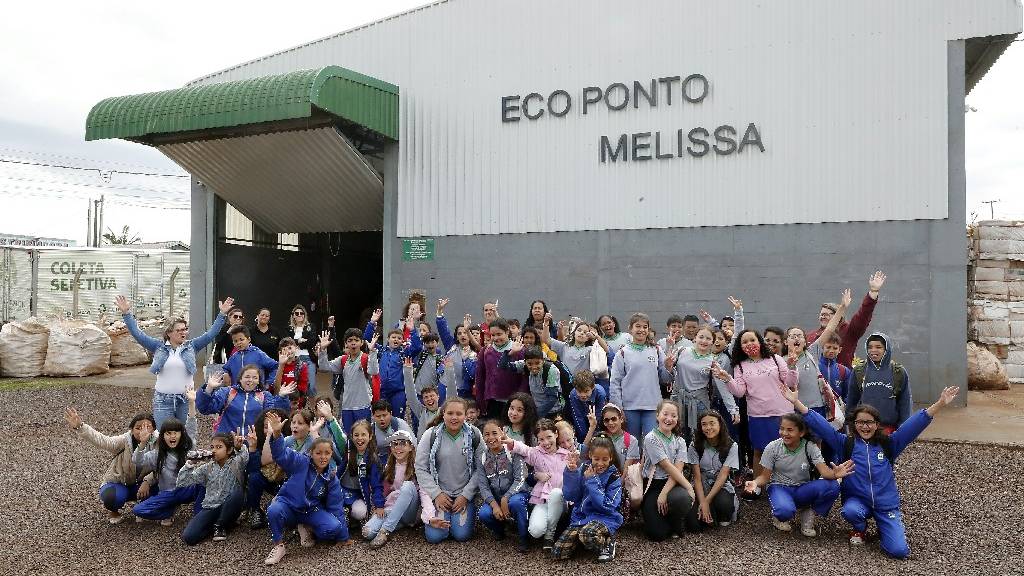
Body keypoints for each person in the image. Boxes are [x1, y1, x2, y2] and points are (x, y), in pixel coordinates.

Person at [782, 381, 960, 558]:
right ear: (854, 424)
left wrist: (940, 403)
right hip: (858, 501)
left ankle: (887, 528)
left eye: (869, 422)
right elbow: (822, 426)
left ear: (877, 424)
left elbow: (913, 426)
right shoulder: (846, 444)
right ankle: (861, 528)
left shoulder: (890, 444)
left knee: (898, 551)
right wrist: (797, 403)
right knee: (850, 511)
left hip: (886, 504)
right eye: (860, 422)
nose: (864, 426)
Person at [114, 294, 234, 430]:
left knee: (184, 436)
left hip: (185, 400)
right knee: (163, 435)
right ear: (169, 332)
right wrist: (126, 313)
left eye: (185, 329)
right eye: (179, 330)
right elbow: (137, 334)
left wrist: (222, 314)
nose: (184, 332)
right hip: (163, 400)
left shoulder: (192, 346)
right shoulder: (158, 346)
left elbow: (210, 334)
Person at [742, 413, 853, 538]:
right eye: (782, 429)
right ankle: (779, 515)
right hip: (780, 487)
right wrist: (755, 483)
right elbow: (765, 477)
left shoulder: (810, 447)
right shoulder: (772, 447)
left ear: (801, 432)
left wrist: (835, 474)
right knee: (784, 511)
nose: (784, 433)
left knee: (833, 486)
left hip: (803, 488)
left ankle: (809, 511)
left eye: (790, 430)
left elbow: (824, 472)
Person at [263, 412, 351, 565]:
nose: (323, 457)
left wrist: (343, 537)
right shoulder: (301, 461)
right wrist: (277, 434)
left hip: (310, 511)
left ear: (331, 455)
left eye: (327, 453)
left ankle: (306, 527)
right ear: (311, 453)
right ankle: (279, 545)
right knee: (273, 510)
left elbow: (336, 507)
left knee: (334, 527)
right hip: (289, 505)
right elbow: (281, 454)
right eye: (318, 453)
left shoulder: (331, 477)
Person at [713, 330, 797, 479]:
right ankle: (757, 485)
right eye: (744, 342)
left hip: (783, 413)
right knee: (759, 450)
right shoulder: (740, 366)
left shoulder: (776, 359)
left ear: (759, 341)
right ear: (740, 346)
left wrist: (792, 367)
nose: (749, 344)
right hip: (758, 415)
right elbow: (739, 392)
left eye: (752, 340)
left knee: (787, 449)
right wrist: (727, 379)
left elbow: (790, 382)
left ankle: (787, 482)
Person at [65, 407, 156, 523]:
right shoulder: (124, 441)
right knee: (112, 497)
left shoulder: (159, 443)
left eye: (148, 427)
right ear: (131, 430)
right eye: (138, 428)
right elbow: (103, 440)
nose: (142, 432)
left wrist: (147, 481)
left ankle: (143, 505)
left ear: (154, 429)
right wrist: (80, 426)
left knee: (163, 487)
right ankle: (114, 510)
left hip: (143, 484)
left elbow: (163, 466)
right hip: (119, 483)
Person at [415, 397, 486, 543]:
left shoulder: (474, 435)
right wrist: (436, 494)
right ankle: (444, 517)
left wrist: (466, 495)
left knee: (461, 536)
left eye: (459, 414)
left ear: (465, 416)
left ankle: (460, 518)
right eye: (450, 413)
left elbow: (481, 467)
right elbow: (420, 468)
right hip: (441, 494)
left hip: (464, 494)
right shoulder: (431, 435)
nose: (454, 417)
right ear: (443, 414)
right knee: (435, 537)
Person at [131, 385, 200, 526]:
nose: (172, 436)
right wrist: (143, 443)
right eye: (168, 433)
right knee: (138, 510)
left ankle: (200, 516)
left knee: (203, 484)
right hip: (168, 493)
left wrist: (191, 403)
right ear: (163, 436)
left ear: (181, 434)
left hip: (187, 489)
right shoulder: (157, 454)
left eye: (176, 432)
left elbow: (191, 426)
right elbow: (137, 461)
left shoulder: (188, 447)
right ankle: (169, 511)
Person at [553, 434, 623, 562]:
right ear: (590, 455)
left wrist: (592, 481)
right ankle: (584, 540)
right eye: (596, 458)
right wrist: (572, 473)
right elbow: (571, 496)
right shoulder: (583, 468)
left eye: (604, 459)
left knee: (587, 534)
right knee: (558, 552)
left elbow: (607, 507)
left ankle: (608, 543)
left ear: (611, 458)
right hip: (582, 517)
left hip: (604, 517)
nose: (600, 463)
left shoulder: (614, 477)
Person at [665, 325, 740, 440]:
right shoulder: (682, 351)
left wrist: (733, 409)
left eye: (708, 339)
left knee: (699, 437)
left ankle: (696, 458)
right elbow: (667, 372)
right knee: (677, 435)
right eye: (701, 337)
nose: (704, 341)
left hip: (699, 402)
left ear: (712, 342)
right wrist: (668, 361)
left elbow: (722, 387)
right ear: (695, 338)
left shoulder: (713, 362)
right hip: (678, 400)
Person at [506, 418, 571, 550]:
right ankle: (547, 529)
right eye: (541, 439)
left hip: (561, 501)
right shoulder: (537, 453)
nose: (546, 442)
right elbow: (524, 449)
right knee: (535, 531)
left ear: (556, 434)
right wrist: (511, 442)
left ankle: (550, 535)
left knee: (556, 493)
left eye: (549, 437)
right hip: (542, 500)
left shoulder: (566, 455)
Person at [175, 430, 249, 545]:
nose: (214, 450)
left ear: (229, 450)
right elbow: (182, 482)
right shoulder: (207, 468)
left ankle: (220, 525)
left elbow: (244, 456)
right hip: (210, 507)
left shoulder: (235, 463)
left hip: (230, 505)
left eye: (219, 447)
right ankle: (217, 525)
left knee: (238, 493)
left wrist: (239, 447)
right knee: (189, 537)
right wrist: (190, 464)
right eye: (212, 447)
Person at [609, 313, 671, 440]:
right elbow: (615, 382)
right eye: (638, 326)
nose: (641, 330)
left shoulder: (657, 350)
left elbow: (665, 379)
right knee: (632, 445)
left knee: (653, 443)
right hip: (629, 407)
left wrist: (669, 368)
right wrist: (618, 408)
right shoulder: (622, 353)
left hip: (653, 406)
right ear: (630, 329)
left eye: (645, 327)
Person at [640, 400, 695, 541]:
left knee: (682, 498)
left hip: (673, 482)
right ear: (657, 415)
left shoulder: (680, 441)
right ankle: (662, 519)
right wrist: (689, 486)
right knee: (657, 534)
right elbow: (666, 466)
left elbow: (677, 469)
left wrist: (664, 494)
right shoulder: (650, 438)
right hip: (653, 485)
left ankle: (676, 518)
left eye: (674, 415)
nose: (669, 419)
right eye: (665, 414)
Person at [807, 271, 887, 367]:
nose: (824, 316)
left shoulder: (849, 331)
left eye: (828, 314)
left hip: (842, 380)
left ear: (839, 316)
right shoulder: (810, 336)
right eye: (822, 314)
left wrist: (873, 293)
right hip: (817, 380)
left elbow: (863, 316)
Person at [475, 419, 531, 552]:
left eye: (494, 433)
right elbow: (483, 486)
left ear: (502, 432)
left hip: (517, 494)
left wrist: (506, 498)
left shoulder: (512, 452)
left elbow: (521, 478)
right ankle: (501, 529)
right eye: (486, 434)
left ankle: (524, 537)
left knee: (516, 503)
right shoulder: (482, 457)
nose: (491, 438)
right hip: (495, 497)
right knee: (483, 513)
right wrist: (495, 505)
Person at [361, 429, 421, 547]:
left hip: (411, 510)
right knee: (367, 532)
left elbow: (423, 492)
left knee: (407, 486)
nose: (398, 447)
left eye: (403, 443)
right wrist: (380, 507)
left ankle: (386, 530)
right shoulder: (389, 466)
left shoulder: (417, 465)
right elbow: (383, 491)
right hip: (392, 508)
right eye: (395, 444)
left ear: (410, 447)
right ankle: (397, 523)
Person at [197, 364, 293, 434]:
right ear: (240, 379)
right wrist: (209, 388)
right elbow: (205, 409)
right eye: (247, 376)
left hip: (253, 443)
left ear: (259, 381)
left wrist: (282, 397)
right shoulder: (227, 392)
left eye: (255, 377)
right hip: (227, 442)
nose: (250, 380)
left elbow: (274, 415)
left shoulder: (265, 396)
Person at [845, 333, 913, 431]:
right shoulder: (859, 371)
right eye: (870, 347)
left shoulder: (898, 371)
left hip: (889, 429)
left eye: (878, 347)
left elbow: (905, 402)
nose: (873, 350)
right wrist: (849, 425)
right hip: (864, 428)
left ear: (886, 349)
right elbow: (852, 401)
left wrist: (904, 426)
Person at [684, 411, 740, 531]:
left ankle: (722, 513)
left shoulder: (731, 445)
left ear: (720, 424)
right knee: (693, 525)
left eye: (712, 423)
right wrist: (702, 501)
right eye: (704, 424)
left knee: (724, 504)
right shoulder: (695, 445)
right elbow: (697, 478)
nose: (708, 428)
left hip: (720, 483)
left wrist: (706, 501)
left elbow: (723, 475)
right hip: (701, 483)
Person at [364, 308, 422, 421]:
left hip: (398, 392)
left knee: (397, 419)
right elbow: (367, 339)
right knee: (382, 418)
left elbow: (418, 347)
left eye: (399, 338)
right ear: (388, 339)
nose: (396, 340)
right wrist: (372, 323)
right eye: (393, 337)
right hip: (382, 391)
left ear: (402, 341)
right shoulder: (380, 351)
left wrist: (412, 330)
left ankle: (397, 438)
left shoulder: (404, 352)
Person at [318, 329, 379, 435]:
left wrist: (373, 351)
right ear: (346, 343)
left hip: (363, 406)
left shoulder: (365, 358)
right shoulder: (343, 360)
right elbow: (324, 366)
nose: (353, 342)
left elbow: (374, 371)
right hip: (346, 407)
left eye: (356, 340)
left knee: (364, 435)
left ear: (362, 342)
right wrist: (323, 350)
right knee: (348, 436)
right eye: (350, 340)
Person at [245, 407, 291, 530]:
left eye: (274, 424)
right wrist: (253, 449)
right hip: (269, 480)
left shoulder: (289, 440)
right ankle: (255, 510)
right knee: (254, 477)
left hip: (286, 483)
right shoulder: (258, 440)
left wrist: (273, 434)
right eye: (266, 426)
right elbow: (258, 465)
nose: (270, 429)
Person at [543, 319, 613, 394]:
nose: (582, 333)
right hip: (566, 387)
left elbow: (606, 350)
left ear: (588, 337)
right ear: (574, 333)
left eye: (585, 332)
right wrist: (546, 323)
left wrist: (596, 337)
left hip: (584, 388)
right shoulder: (564, 347)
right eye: (579, 330)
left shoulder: (590, 350)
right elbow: (547, 340)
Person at [475, 318, 527, 418]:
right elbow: (480, 377)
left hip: (513, 403)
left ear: (507, 332)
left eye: (499, 334)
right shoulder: (486, 351)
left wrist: (521, 398)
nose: (496, 338)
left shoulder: (519, 349)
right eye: (493, 335)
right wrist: (480, 401)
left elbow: (525, 378)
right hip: (492, 401)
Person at [500, 342, 563, 418]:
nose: (534, 367)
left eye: (537, 363)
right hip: (536, 409)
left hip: (552, 411)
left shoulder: (551, 370)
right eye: (529, 364)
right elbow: (503, 366)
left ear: (542, 361)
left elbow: (552, 398)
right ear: (525, 362)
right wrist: (510, 353)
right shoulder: (523, 365)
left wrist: (536, 415)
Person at [339, 419, 384, 526]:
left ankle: (352, 517)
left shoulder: (372, 459)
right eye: (356, 435)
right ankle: (345, 516)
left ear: (370, 436)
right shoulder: (349, 452)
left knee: (360, 512)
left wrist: (379, 505)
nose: (359, 438)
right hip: (342, 490)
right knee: (334, 507)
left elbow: (376, 485)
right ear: (352, 437)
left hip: (358, 494)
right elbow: (339, 472)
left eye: (363, 434)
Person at [370, 399, 415, 469]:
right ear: (373, 416)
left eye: (384, 415)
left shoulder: (400, 424)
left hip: (401, 458)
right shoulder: (371, 429)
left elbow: (413, 446)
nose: (382, 419)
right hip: (381, 461)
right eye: (378, 416)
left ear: (390, 414)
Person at [404, 357, 441, 437]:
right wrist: (407, 372)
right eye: (426, 397)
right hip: (424, 447)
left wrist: (450, 370)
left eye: (432, 396)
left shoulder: (444, 412)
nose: (429, 399)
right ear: (423, 400)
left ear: (438, 396)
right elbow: (411, 396)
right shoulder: (421, 411)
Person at [567, 369, 607, 441]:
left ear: (593, 387)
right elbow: (578, 417)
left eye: (586, 391)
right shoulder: (573, 395)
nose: (583, 395)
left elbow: (600, 416)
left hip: (596, 419)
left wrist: (595, 436)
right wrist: (585, 438)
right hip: (583, 418)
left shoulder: (600, 393)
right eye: (579, 391)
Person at [286, 304, 317, 395]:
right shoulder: (289, 329)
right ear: (293, 316)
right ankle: (297, 407)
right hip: (293, 359)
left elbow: (312, 341)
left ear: (304, 315)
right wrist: (299, 340)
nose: (299, 315)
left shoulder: (311, 326)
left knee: (311, 386)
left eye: (301, 313)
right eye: (297, 313)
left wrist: (296, 343)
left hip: (308, 359)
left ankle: (311, 408)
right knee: (294, 386)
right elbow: (287, 343)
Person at [271, 337, 308, 409]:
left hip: (295, 403)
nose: (288, 351)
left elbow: (302, 389)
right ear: (280, 352)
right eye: (284, 349)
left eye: (290, 348)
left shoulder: (301, 366)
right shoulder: (275, 366)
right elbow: (274, 389)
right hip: (280, 401)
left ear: (296, 348)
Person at [211, 305, 246, 374]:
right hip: (226, 363)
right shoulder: (223, 329)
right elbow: (218, 344)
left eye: (240, 317)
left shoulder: (245, 330)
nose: (238, 318)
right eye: (235, 316)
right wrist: (228, 332)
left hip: (242, 362)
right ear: (230, 317)